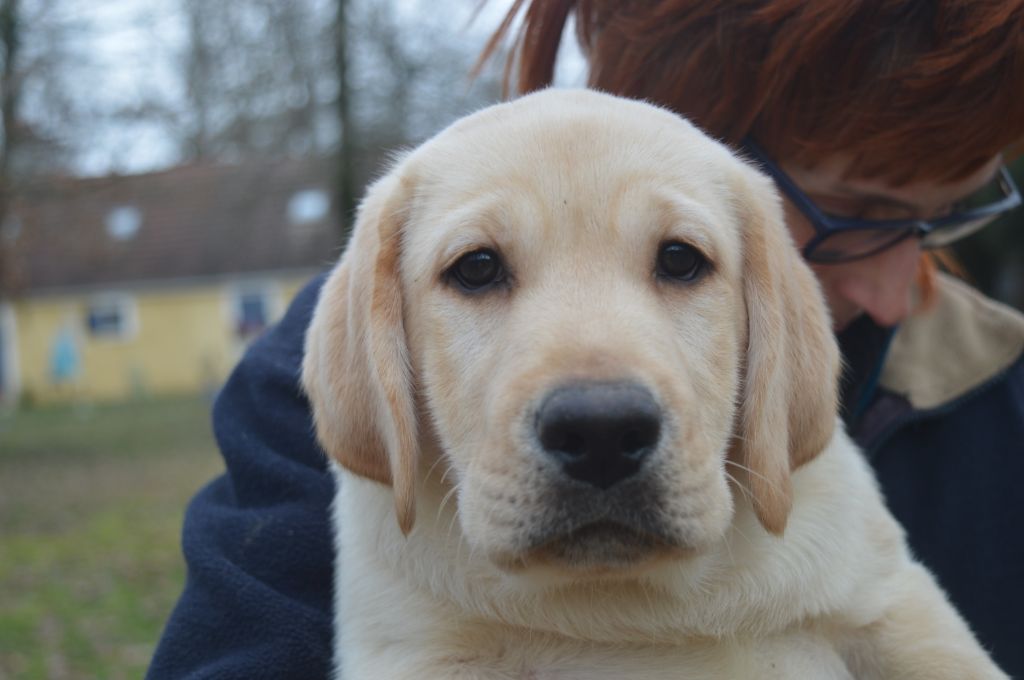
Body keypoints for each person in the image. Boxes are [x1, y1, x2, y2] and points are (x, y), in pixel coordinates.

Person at [148, 1, 1024, 677]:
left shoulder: (997, 390)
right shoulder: (331, 386)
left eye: (680, 260)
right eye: (856, 211)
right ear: (662, 114)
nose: (891, 287)